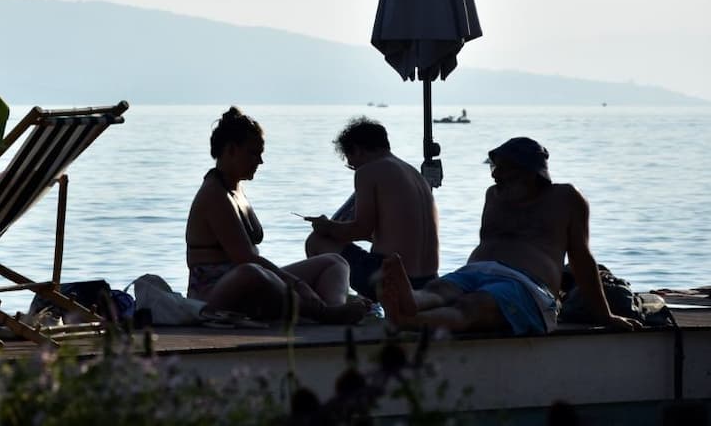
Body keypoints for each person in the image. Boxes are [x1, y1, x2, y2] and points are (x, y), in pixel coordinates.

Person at [379, 136, 644, 335]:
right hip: (475, 272)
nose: (495, 175)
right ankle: (413, 300)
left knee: (475, 305)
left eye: (503, 169)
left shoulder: (565, 198)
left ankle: (408, 320)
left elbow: (581, 259)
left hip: (526, 285)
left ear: (530, 171)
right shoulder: (493, 196)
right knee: (441, 288)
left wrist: (606, 316)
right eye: (494, 168)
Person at [185, 106, 369, 324]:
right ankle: (322, 312)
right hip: (215, 293)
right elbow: (246, 258)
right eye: (253, 153)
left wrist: (288, 281)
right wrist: (297, 284)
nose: (260, 162)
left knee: (335, 262)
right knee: (252, 273)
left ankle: (333, 309)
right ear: (231, 150)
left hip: (257, 283)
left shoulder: (236, 189)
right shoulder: (214, 195)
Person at [303, 117, 440, 301]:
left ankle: (332, 305)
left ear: (357, 150)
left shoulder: (368, 171)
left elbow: (361, 229)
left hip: (392, 278)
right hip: (428, 281)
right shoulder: (414, 174)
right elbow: (388, 233)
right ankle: (364, 303)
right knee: (370, 253)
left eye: (352, 164)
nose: (354, 169)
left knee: (317, 241)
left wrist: (326, 226)